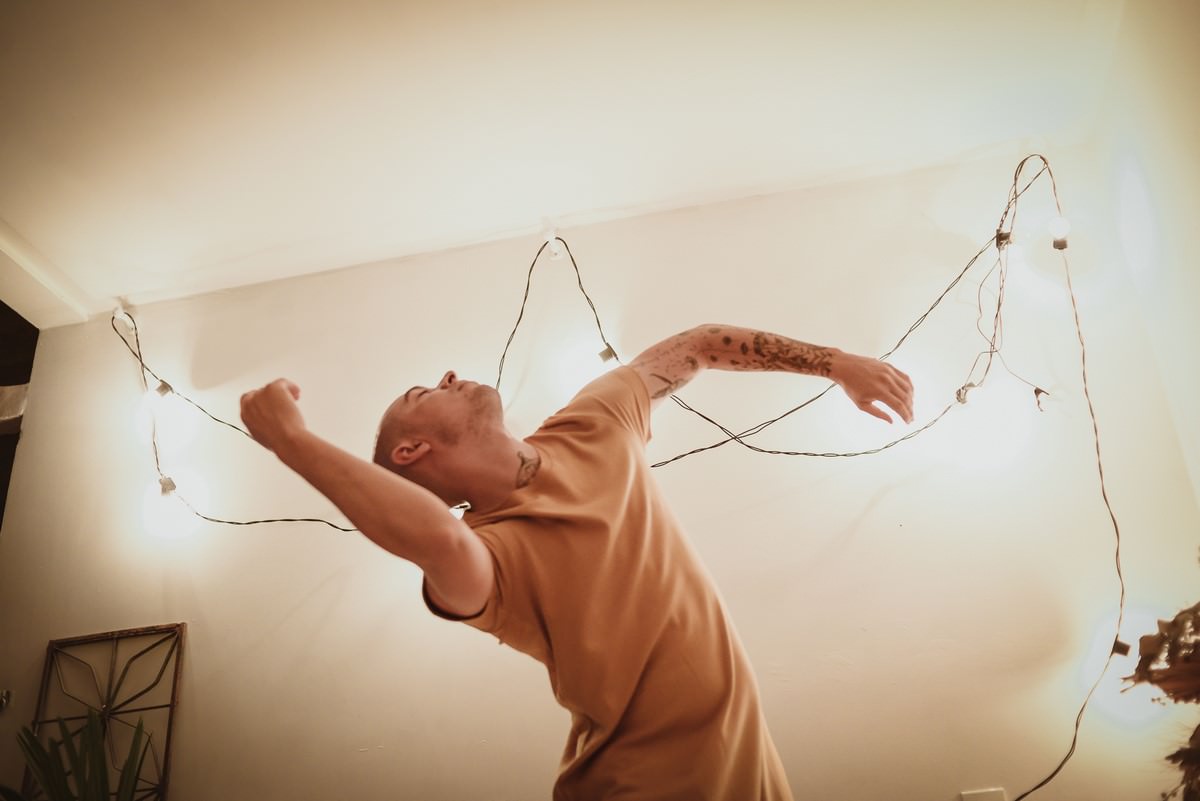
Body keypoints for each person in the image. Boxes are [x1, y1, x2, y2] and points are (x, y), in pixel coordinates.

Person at [240, 323, 914, 800]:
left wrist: (837, 364)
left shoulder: (593, 425)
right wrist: (291, 440)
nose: (446, 375)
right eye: (423, 393)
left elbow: (698, 345)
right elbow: (438, 541)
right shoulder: (491, 557)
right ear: (412, 451)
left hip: (750, 774)